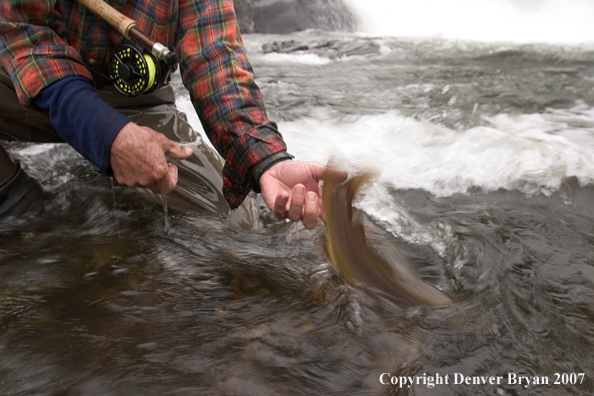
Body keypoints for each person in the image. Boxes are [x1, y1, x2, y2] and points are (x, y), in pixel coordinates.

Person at [0, 0, 346, 229]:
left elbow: (216, 62)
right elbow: (26, 39)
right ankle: (17, 197)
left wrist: (267, 161)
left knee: (233, 223)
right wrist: (107, 135)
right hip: (17, 76)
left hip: (130, 98)